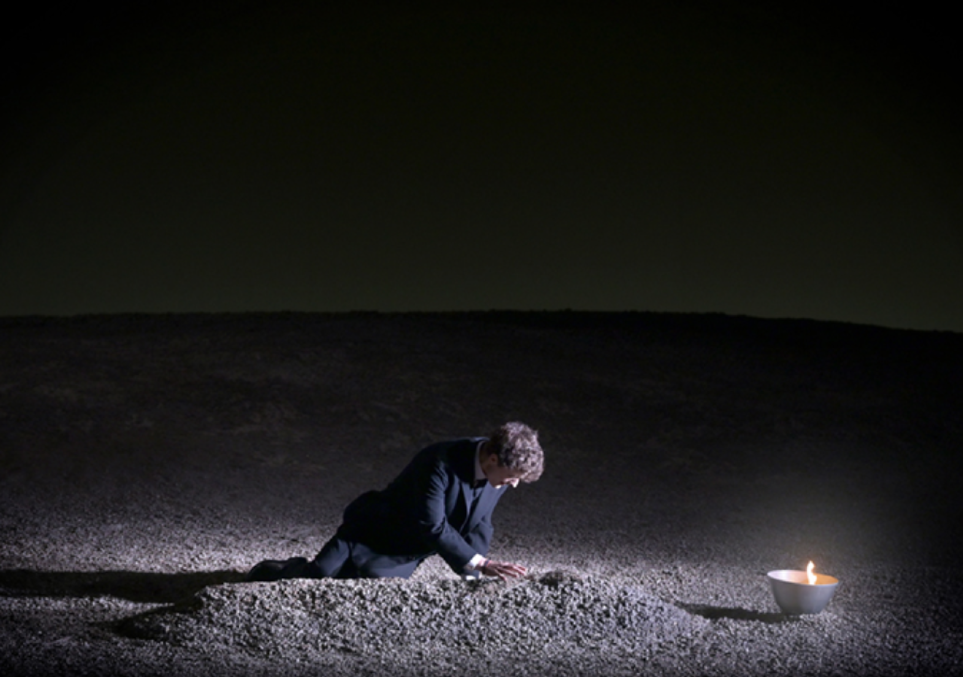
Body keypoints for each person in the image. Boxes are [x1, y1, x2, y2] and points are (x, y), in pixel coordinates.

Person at [245, 421, 544, 582]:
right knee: (320, 574)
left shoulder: (500, 471)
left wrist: (474, 575)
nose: (514, 484)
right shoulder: (439, 461)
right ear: (493, 459)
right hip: (372, 529)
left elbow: (480, 521)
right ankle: (278, 569)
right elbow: (433, 524)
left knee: (361, 581)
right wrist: (482, 562)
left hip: (407, 548)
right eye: (513, 477)